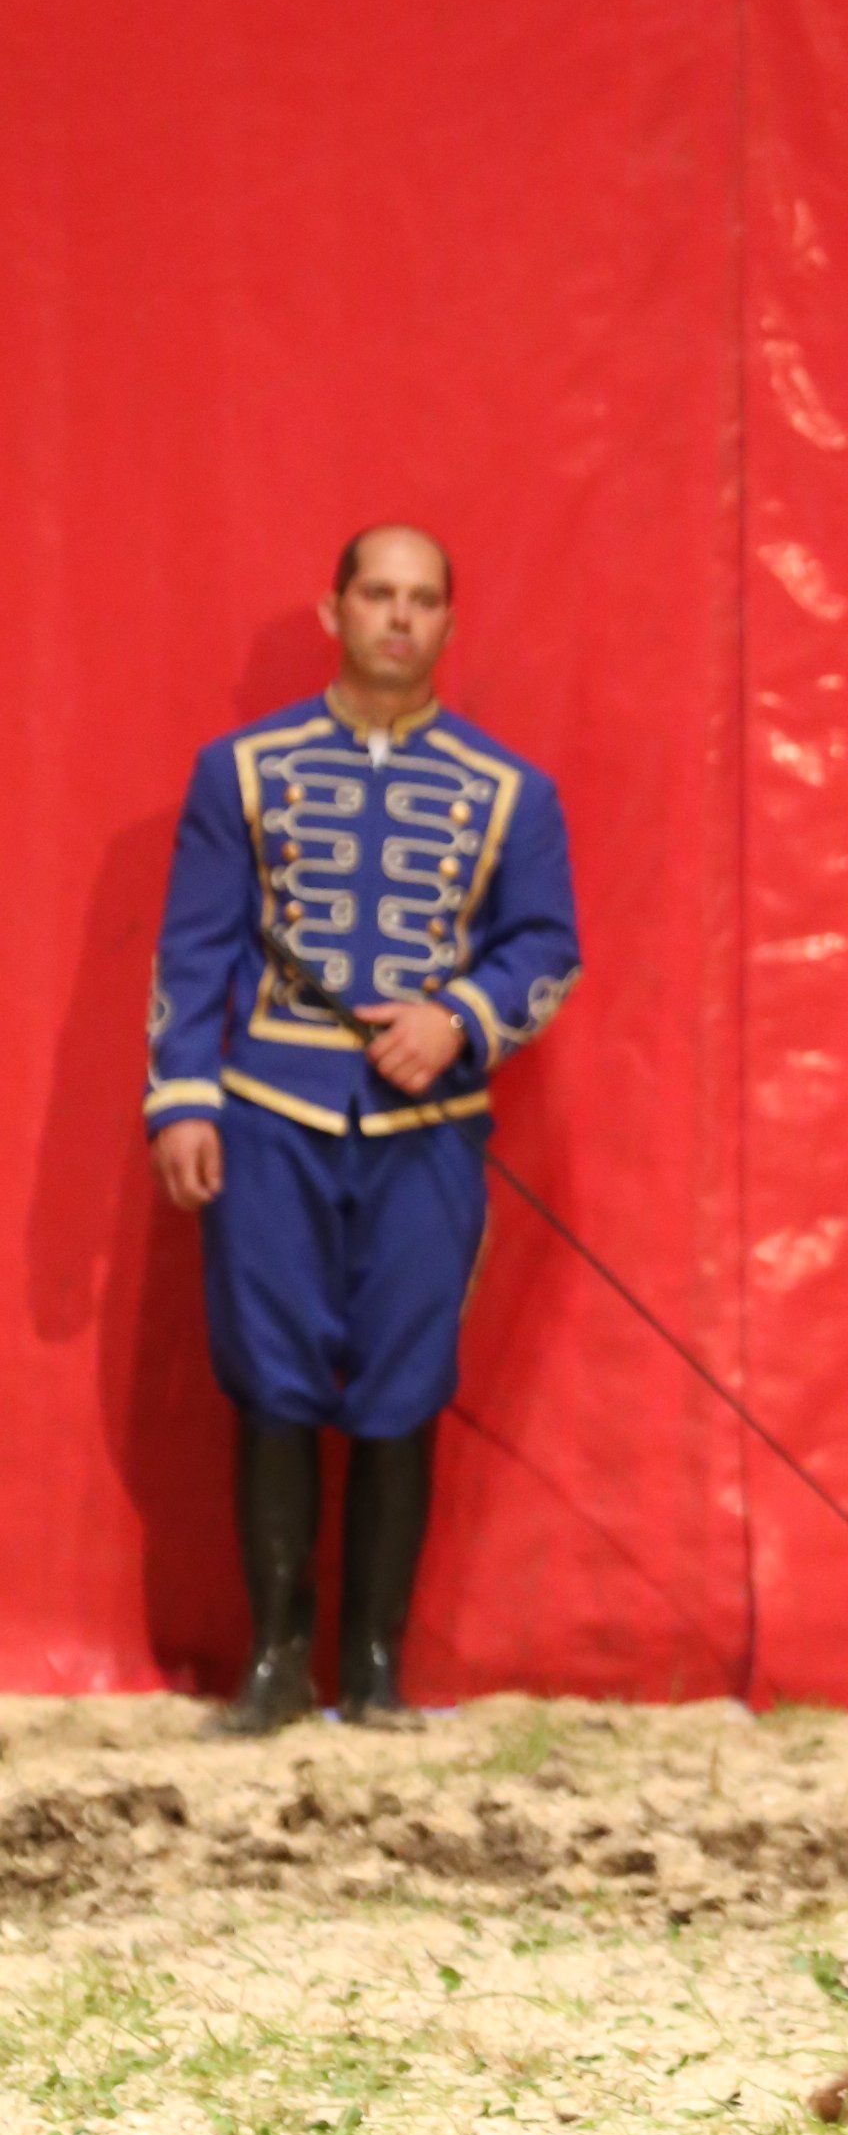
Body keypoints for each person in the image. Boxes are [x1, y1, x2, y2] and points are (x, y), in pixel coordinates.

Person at [146, 527, 580, 1731]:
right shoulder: (241, 771)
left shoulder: (510, 792)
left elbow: (547, 947)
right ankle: (277, 1663)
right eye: (378, 594)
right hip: (268, 1116)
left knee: (405, 1370)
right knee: (268, 1369)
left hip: (430, 1126)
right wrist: (183, 1097)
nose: (399, 617)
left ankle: (378, 1667)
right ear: (332, 609)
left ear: (449, 621)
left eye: (422, 599)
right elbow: (193, 946)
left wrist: (459, 1019)